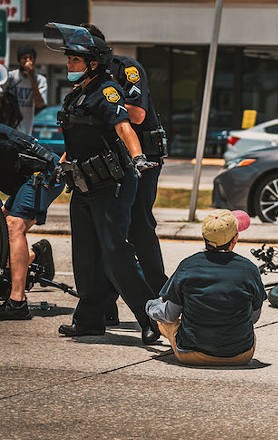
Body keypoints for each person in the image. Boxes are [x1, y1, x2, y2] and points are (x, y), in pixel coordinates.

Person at [43, 23, 160, 343]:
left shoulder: (107, 90)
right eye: (67, 59)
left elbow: (124, 127)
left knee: (115, 252)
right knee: (85, 255)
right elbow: (79, 141)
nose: (68, 64)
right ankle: (90, 318)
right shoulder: (76, 96)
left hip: (112, 185)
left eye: (74, 60)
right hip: (83, 187)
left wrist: (137, 157)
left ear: (92, 62)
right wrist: (59, 166)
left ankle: (150, 317)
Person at [81, 24, 169, 327]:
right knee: (109, 234)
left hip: (143, 156)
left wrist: (105, 107)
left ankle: (162, 297)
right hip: (111, 163)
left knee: (139, 226)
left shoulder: (125, 68)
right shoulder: (87, 80)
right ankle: (106, 305)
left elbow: (137, 114)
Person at [146, 209, 266, 366]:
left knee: (166, 322)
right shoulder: (250, 269)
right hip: (240, 355)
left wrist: (150, 307)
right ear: (234, 239)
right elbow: (253, 317)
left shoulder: (188, 266)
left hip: (191, 354)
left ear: (204, 237)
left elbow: (170, 314)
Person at [0, 125, 63, 320]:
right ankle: (36, 255)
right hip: (23, 177)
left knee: (13, 225)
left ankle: (18, 302)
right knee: (4, 226)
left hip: (44, 172)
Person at [6, 45, 48, 135]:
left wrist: (32, 77)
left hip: (27, 131)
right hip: (10, 129)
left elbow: (40, 104)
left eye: (30, 58)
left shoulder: (40, 80)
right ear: (19, 60)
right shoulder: (11, 77)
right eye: (24, 58)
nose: (28, 61)